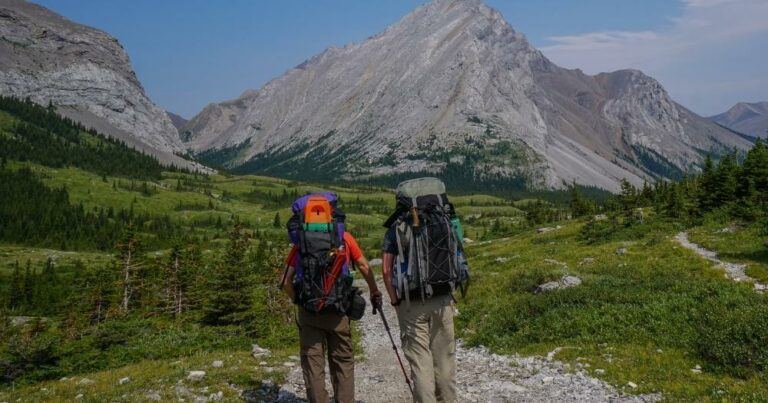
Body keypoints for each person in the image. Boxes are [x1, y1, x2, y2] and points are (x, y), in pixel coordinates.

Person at [282, 229, 382, 403]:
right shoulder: (344, 236)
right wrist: (374, 290)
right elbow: (364, 266)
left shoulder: (301, 240)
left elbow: (285, 281)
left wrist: (298, 300)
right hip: (339, 310)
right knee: (342, 360)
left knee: (313, 362)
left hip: (309, 312)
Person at [382, 229, 457, 403]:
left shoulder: (396, 228)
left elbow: (386, 270)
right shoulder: (439, 219)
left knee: (420, 362)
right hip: (442, 299)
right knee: (444, 359)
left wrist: (395, 302)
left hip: (411, 301)